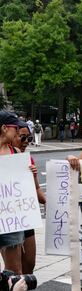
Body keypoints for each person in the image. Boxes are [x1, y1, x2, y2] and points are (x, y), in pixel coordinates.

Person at [13, 122, 46, 274]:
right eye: (23, 137)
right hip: (8, 220)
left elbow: (37, 189)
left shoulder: (28, 159)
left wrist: (52, 203)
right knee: (14, 270)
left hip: (25, 218)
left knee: (29, 266)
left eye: (29, 138)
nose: (27, 141)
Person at [0, 112, 25, 273]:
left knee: (14, 272)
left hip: (10, 217)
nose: (18, 131)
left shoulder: (15, 152)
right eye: (15, 127)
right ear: (3, 128)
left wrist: (30, 173)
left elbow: (21, 184)